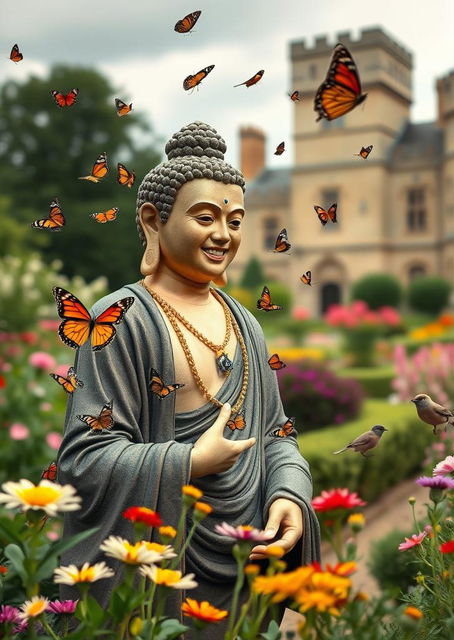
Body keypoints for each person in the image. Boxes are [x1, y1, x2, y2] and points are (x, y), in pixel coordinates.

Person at [56, 122, 321, 637]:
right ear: (154, 221)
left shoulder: (246, 323)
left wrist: (288, 492)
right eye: (205, 217)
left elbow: (275, 436)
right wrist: (190, 461)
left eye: (235, 220)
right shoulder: (124, 318)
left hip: (245, 556)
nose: (224, 234)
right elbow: (83, 461)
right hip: (160, 567)